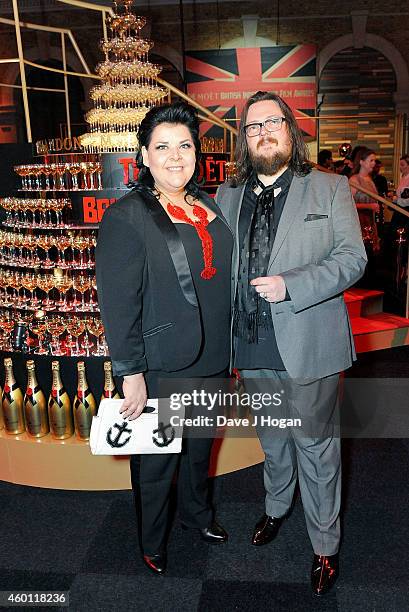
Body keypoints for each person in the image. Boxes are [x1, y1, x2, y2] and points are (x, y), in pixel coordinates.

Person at [216, 91, 366, 596]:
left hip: (308, 342)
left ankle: (325, 545)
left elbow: (352, 259)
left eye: (272, 122)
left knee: (316, 447)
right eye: (253, 126)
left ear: (291, 129)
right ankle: (276, 508)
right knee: (273, 440)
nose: (263, 133)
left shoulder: (329, 187)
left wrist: (292, 285)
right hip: (250, 343)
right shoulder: (227, 195)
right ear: (244, 139)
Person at [96, 102, 232, 576]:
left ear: (197, 153)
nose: (176, 157)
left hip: (215, 354)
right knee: (157, 461)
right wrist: (130, 372)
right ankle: (152, 541)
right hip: (165, 364)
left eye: (185, 146)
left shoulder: (209, 204)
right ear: (144, 155)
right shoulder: (127, 215)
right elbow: (118, 302)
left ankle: (197, 516)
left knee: (200, 448)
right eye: (163, 147)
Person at [349, 147, 380, 251]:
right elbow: (348, 205)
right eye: (371, 160)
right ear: (361, 162)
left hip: (371, 222)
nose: (374, 163)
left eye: (374, 160)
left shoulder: (369, 179)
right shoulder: (354, 180)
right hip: (359, 222)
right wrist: (370, 206)